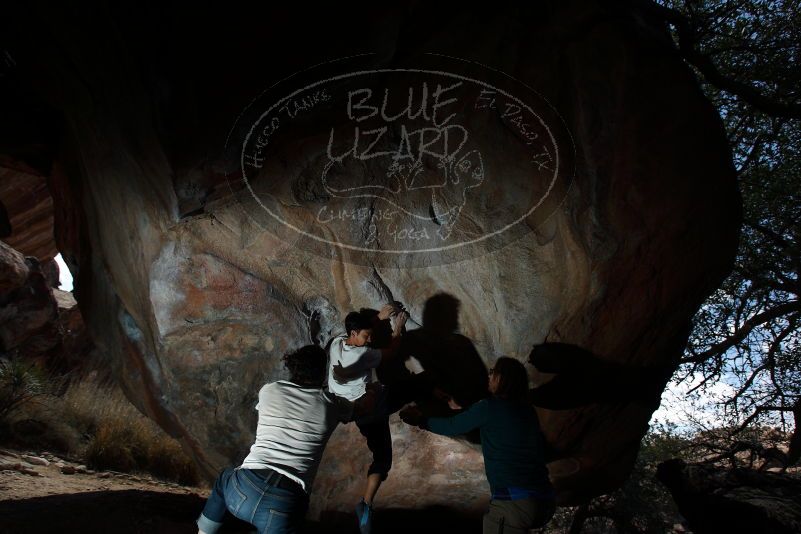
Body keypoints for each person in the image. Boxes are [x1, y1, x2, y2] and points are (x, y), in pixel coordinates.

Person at [196, 345, 364, 534]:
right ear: (323, 373)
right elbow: (360, 409)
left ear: (293, 367)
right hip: (283, 506)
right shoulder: (331, 406)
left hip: (241, 490)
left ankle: (204, 532)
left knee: (224, 479)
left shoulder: (269, 390)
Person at [400, 356, 555, 534]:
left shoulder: (488, 408)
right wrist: (467, 409)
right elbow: (497, 425)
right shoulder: (528, 411)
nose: (489, 376)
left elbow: (452, 426)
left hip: (514, 501)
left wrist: (421, 420)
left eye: (492, 372)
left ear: (501, 379)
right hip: (545, 500)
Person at [327, 303, 411, 534]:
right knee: (413, 386)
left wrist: (378, 318)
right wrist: (397, 327)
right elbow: (392, 351)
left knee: (380, 454)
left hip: (352, 409)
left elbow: (360, 332)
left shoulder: (336, 344)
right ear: (354, 334)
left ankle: (366, 506)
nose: (370, 339)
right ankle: (365, 505)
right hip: (372, 405)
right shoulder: (363, 354)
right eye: (367, 336)